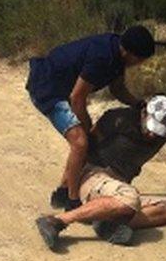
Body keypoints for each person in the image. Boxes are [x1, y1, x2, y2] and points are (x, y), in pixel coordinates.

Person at [26, 26, 156, 211]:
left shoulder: (117, 53)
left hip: (63, 87)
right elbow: (77, 98)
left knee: (84, 141)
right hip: (47, 88)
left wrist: (138, 104)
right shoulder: (102, 58)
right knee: (80, 142)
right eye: (140, 59)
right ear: (129, 52)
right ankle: (72, 201)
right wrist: (88, 131)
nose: (140, 63)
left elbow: (117, 89)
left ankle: (62, 191)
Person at [34, 94, 166, 249]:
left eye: (158, 131)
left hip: (116, 185)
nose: (152, 135)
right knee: (129, 198)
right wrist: (67, 187)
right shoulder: (118, 119)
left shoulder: (164, 135)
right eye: (151, 128)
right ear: (144, 113)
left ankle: (107, 221)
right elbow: (85, 149)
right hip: (94, 175)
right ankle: (58, 221)